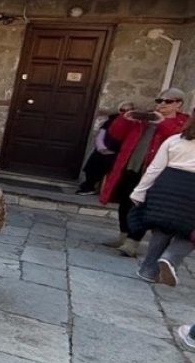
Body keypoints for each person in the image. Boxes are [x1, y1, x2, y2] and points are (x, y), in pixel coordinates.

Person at [101, 87, 189, 257]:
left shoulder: (183, 123)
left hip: (155, 173)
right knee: (125, 202)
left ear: (178, 104)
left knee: (141, 207)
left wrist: (162, 122)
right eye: (160, 100)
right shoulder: (144, 119)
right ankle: (123, 236)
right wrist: (125, 119)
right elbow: (116, 134)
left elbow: (178, 140)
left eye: (168, 101)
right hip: (131, 166)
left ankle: (133, 242)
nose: (162, 104)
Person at [130, 117, 195, 287]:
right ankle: (170, 258)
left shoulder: (174, 140)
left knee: (163, 227)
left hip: (167, 185)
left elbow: (155, 167)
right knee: (190, 232)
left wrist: (139, 191)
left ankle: (148, 270)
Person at [77, 101, 134, 195]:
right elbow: (101, 135)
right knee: (93, 161)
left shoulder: (134, 123)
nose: (125, 113)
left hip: (118, 152)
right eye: (122, 110)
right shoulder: (111, 120)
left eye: (129, 110)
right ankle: (89, 185)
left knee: (108, 163)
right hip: (104, 148)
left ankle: (97, 187)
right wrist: (101, 148)